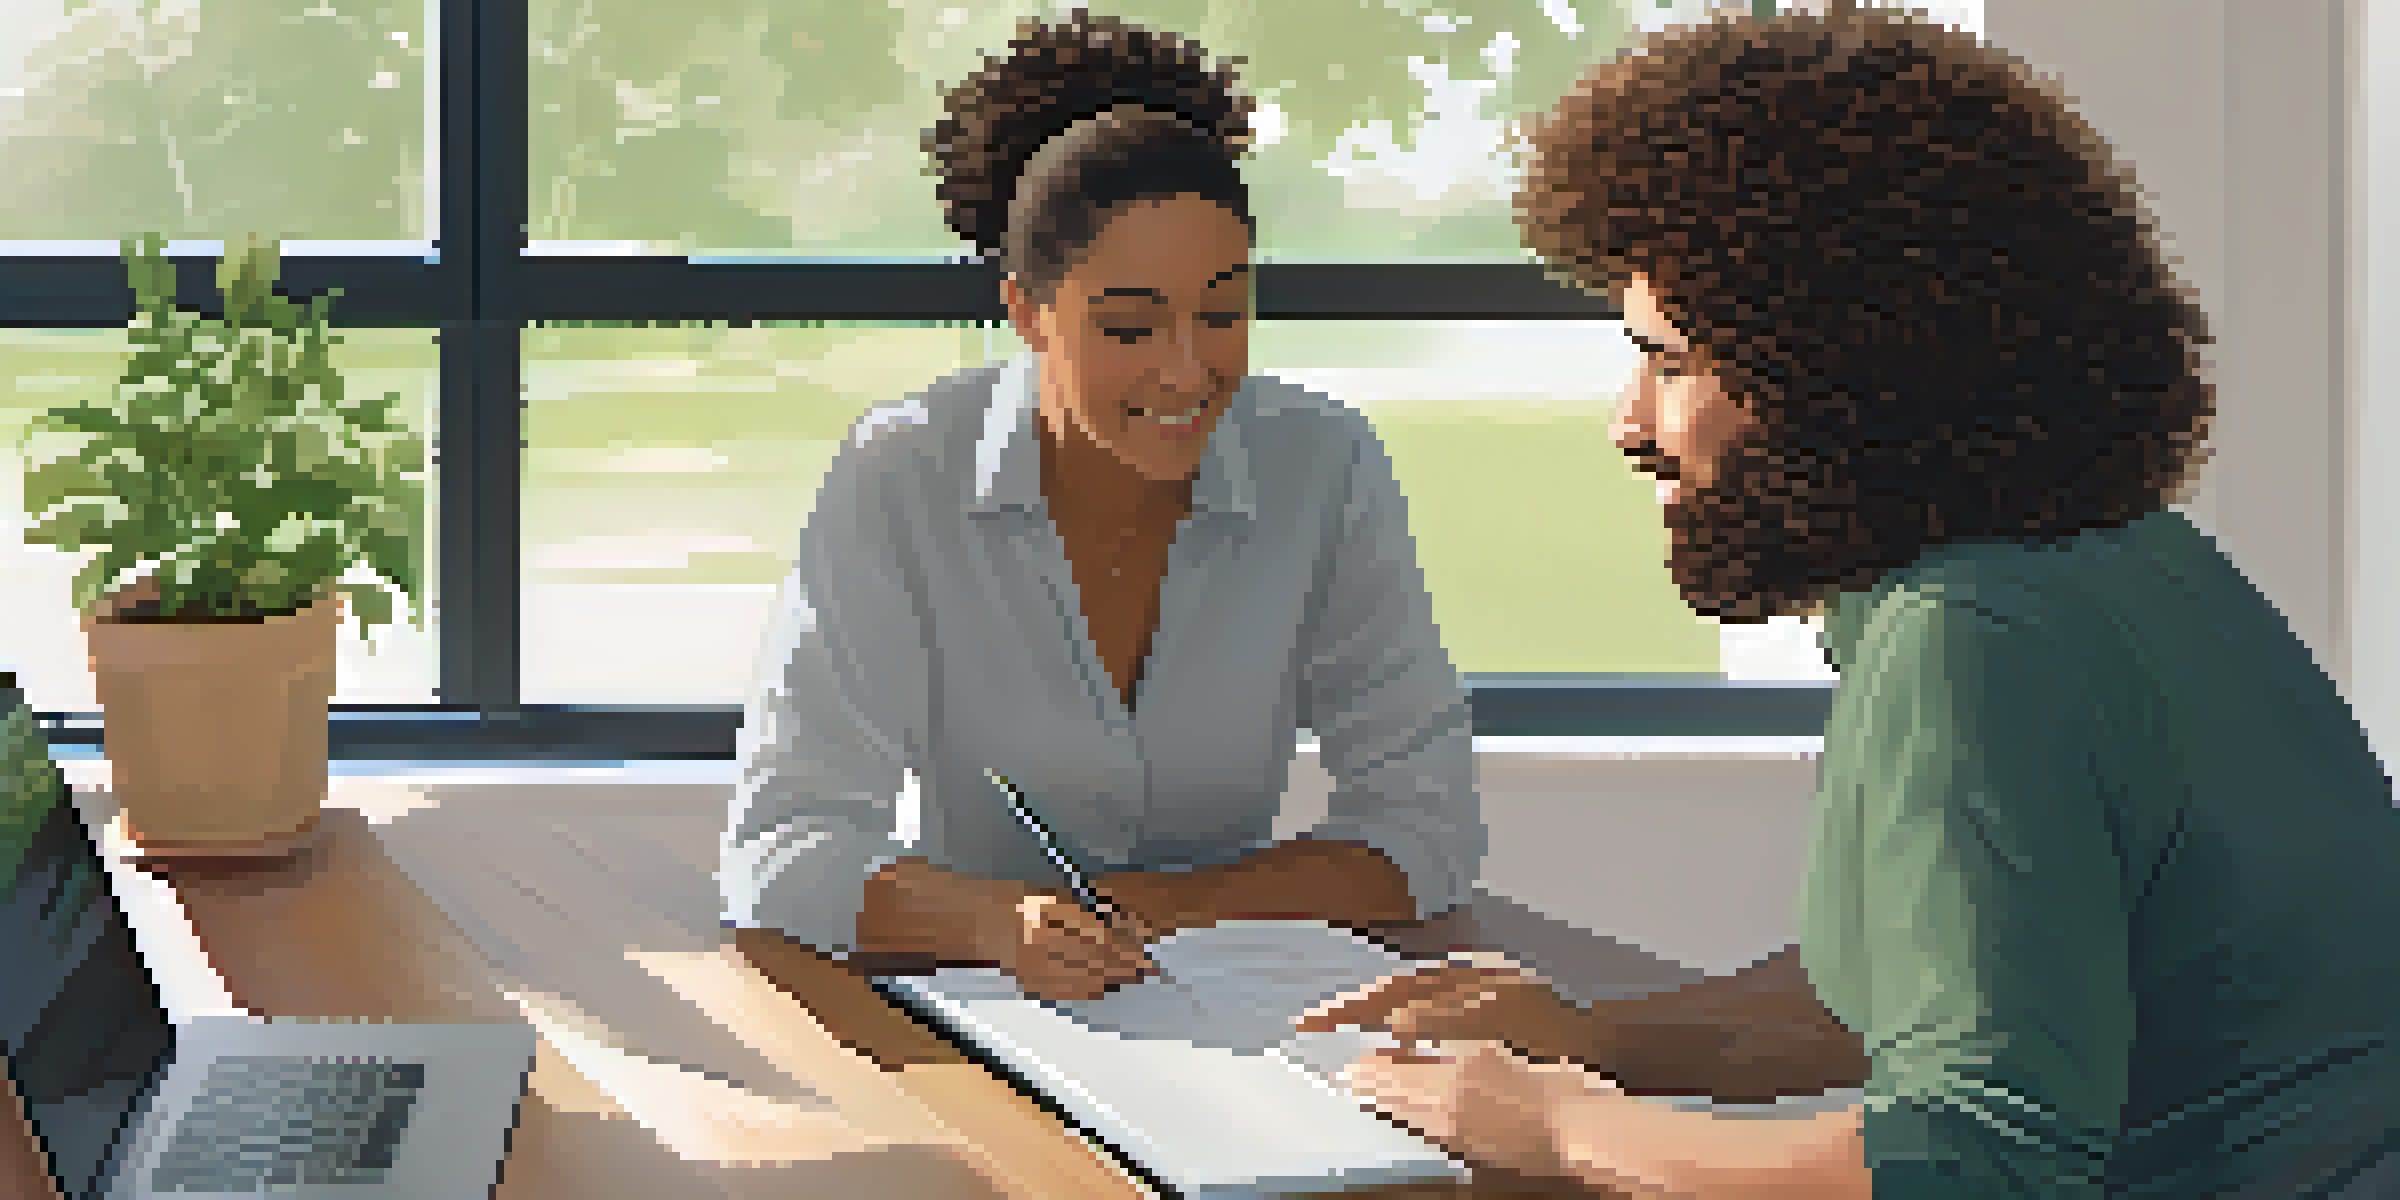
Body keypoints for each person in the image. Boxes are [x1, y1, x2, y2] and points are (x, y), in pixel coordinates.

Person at [1300, 6, 2400, 1197]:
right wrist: (1597, 1036)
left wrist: (1567, 1131)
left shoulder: (1972, 641)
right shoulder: (2105, 562)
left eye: (1670, 363)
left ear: (1836, 373)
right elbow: (1931, 989)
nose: (1631, 424)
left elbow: (1978, 1164)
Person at [719, 9, 1484, 1006]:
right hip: (979, 1007)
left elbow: (1427, 829)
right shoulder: (901, 470)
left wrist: (1173, 905)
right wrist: (993, 922)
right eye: (1129, 327)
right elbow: (780, 850)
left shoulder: (1325, 465)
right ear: (1028, 313)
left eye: (1223, 314)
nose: (1188, 371)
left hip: (1236, 1006)